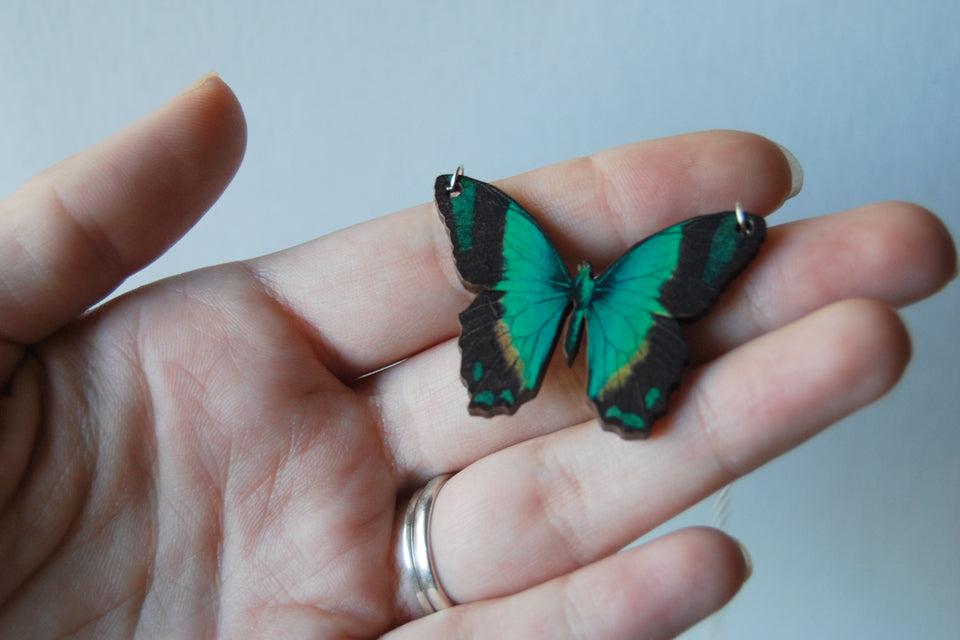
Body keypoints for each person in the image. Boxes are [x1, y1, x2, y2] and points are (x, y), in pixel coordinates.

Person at [0, 73, 954, 639]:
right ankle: (607, 373)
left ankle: (584, 373)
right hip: (614, 322)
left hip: (532, 315)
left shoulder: (532, 265)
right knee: (615, 361)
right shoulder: (607, 274)